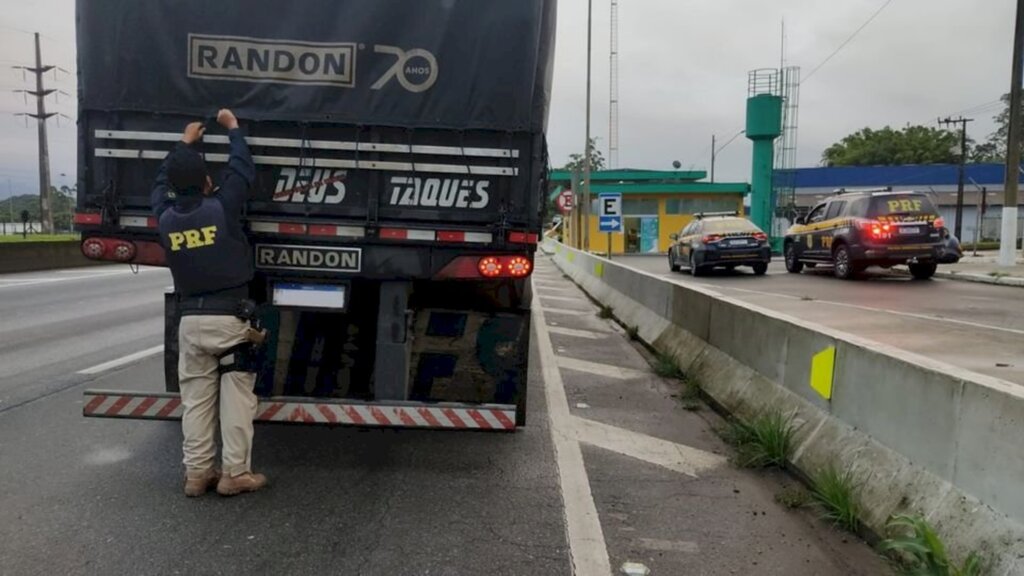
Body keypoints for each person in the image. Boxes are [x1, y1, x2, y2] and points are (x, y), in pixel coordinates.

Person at [151, 108, 267, 497]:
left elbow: (159, 182)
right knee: (236, 397)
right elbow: (241, 172)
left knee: (197, 402)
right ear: (205, 182)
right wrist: (233, 129)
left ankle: (197, 475)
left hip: (189, 323)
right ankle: (235, 474)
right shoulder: (221, 207)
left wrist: (184, 143)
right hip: (230, 318)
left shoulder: (165, 217)